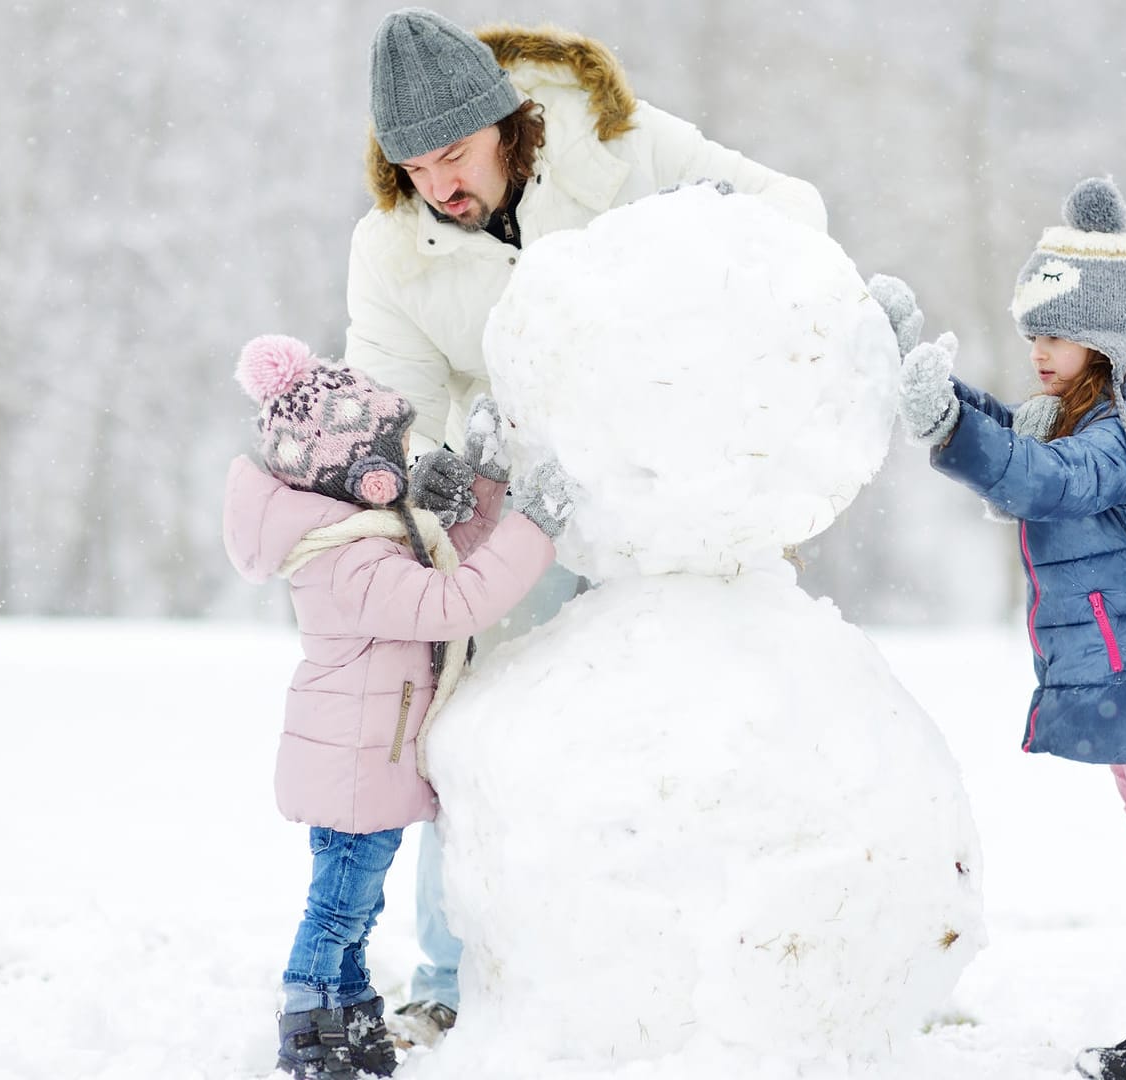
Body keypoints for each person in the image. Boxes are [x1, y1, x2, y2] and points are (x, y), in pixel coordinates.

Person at [344, 6, 829, 1044]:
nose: (439, 184)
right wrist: (436, 468)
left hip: (665, 489)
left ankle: (734, 956)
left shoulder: (620, 144)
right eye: (414, 165)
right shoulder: (392, 251)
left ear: (508, 124)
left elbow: (795, 207)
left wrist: (720, 235)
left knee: (706, 714)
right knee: (480, 725)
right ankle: (450, 971)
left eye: (455, 154)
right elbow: (392, 413)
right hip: (517, 509)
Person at [878, 176, 1126, 1080]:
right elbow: (1021, 445)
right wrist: (918, 372)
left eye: (1054, 332)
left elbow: (1048, 480)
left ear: (1107, 338)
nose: (1036, 350)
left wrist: (954, 427)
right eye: (1030, 330)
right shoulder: (1087, 415)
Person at [221, 334, 574, 1079]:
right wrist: (534, 530)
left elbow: (448, 558)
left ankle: (347, 1009)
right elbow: (456, 598)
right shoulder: (350, 562)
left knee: (356, 902)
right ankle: (311, 1016)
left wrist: (483, 492)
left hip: (363, 761)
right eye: (398, 449)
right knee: (338, 909)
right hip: (356, 767)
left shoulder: (360, 539)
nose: (411, 461)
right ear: (366, 475)